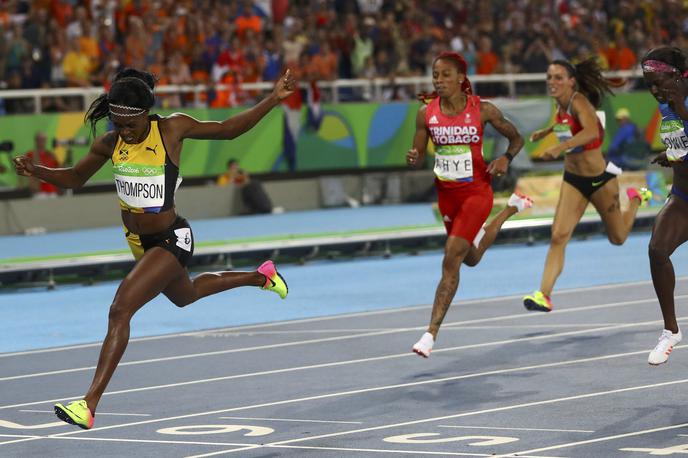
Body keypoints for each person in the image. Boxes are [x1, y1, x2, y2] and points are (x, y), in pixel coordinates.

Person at [12, 67, 296, 429]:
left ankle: (88, 404)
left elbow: (227, 130)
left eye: (130, 126)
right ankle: (260, 277)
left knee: (120, 310)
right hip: (138, 243)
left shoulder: (172, 129)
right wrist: (37, 170)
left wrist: (273, 99)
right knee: (186, 295)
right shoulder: (110, 142)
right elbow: (76, 178)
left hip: (172, 238)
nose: (124, 133)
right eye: (117, 125)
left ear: (146, 114)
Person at [406, 51, 533, 358]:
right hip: (447, 196)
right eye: (435, 75)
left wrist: (505, 157)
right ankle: (511, 209)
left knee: (451, 257)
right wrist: (414, 157)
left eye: (445, 75)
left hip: (477, 193)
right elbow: (418, 153)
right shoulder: (426, 114)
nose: (439, 80)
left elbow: (516, 139)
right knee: (471, 257)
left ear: (461, 78)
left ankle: (430, 333)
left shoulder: (483, 110)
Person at [522, 58, 651, 312]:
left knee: (618, 238)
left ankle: (635, 198)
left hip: (599, 180)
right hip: (573, 180)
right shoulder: (560, 105)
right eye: (549, 77)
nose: (552, 82)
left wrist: (559, 147)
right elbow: (567, 125)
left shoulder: (579, 101)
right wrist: (546, 132)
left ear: (572, 81)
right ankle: (543, 295)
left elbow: (591, 131)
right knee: (558, 235)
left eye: (558, 77)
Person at [641, 46, 688, 365]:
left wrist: (681, 107)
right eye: (649, 85)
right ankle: (671, 331)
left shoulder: (677, 103)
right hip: (684, 199)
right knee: (657, 250)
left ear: (677, 75)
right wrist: (671, 156)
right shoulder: (666, 105)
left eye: (659, 82)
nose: (655, 90)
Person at [23, 132, 61, 197]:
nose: (42, 142)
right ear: (36, 140)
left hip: (52, 191)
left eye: (44, 139)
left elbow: (58, 171)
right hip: (38, 191)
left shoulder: (50, 155)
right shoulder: (30, 154)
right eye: (40, 139)